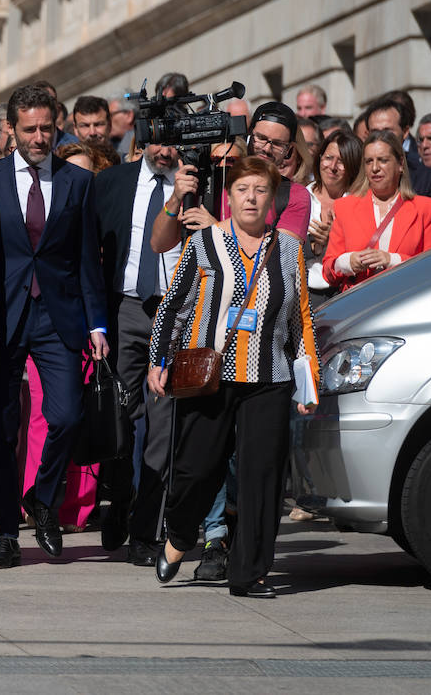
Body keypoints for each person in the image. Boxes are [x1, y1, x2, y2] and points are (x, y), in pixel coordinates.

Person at [148, 155, 320, 598]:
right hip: (210, 375)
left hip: (270, 376)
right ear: (230, 196)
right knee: (196, 469)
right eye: (243, 189)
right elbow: (172, 304)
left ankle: (250, 573)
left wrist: (309, 381)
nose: (251, 197)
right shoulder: (205, 242)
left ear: (272, 200)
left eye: (260, 190)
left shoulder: (289, 249)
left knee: (261, 477)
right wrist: (158, 359)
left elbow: (302, 319)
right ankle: (181, 535)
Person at [0, 82, 107, 563]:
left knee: (67, 414)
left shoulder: (78, 183)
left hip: (59, 316)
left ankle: (43, 499)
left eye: (46, 128)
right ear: (10, 130)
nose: (38, 137)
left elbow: (86, 261)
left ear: (57, 127)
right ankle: (8, 535)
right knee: (3, 430)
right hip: (3, 318)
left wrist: (98, 325)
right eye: (28, 129)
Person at [92, 139, 185, 565]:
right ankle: (120, 502)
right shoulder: (112, 182)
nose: (165, 151)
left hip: (177, 311)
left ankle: (146, 529)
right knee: (120, 418)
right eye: (158, 140)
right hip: (126, 308)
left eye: (174, 143)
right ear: (142, 139)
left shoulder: (197, 184)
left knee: (162, 426)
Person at [151, 101, 313, 253]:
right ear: (249, 136)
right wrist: (176, 197)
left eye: (277, 144)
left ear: (289, 150)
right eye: (261, 139)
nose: (267, 149)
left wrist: (218, 231)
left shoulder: (294, 195)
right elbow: (159, 244)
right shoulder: (214, 180)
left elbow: (284, 255)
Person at [323, 131, 431, 291]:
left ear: (400, 164)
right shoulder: (345, 207)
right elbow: (328, 271)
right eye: (368, 161)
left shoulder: (427, 208)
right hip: (358, 306)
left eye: (383, 160)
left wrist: (391, 260)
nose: (375, 168)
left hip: (405, 303)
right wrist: (348, 262)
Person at [305, 131, 364, 307]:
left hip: (344, 293)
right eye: (328, 157)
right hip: (302, 291)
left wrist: (334, 240)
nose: (333, 166)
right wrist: (313, 245)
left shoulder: (360, 205)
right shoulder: (300, 198)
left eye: (342, 161)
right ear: (319, 158)